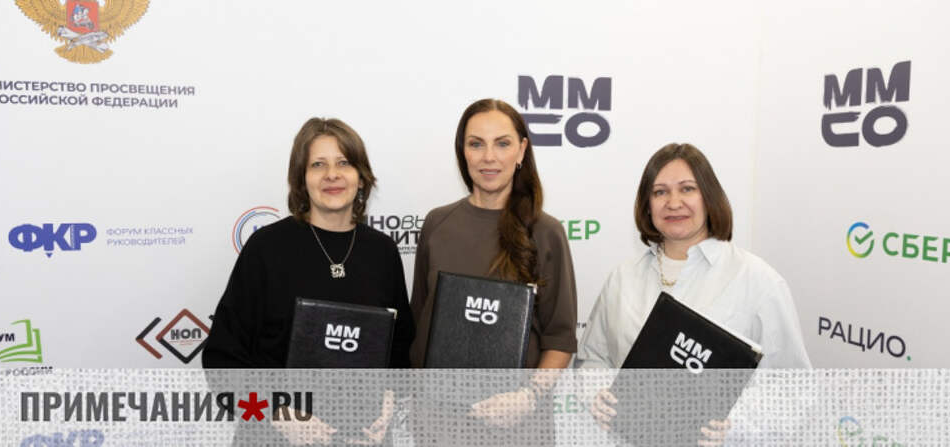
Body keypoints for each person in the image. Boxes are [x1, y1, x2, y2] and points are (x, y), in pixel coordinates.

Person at [575, 143, 811, 445]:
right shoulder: (623, 278)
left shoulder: (759, 281)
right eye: (660, 192)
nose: (673, 203)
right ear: (647, 205)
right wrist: (597, 393)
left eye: (687, 189)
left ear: (709, 197)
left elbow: (795, 389)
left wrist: (736, 425)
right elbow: (593, 358)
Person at [203, 117, 414, 445]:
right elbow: (221, 362)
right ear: (301, 178)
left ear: (361, 177)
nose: (332, 174)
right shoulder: (266, 249)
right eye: (318, 164)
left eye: (344, 162)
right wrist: (278, 415)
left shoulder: (382, 252)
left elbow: (400, 351)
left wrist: (389, 402)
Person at [408, 98, 578, 444]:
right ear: (463, 152)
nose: (489, 157)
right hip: (440, 424)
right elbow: (419, 324)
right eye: (476, 144)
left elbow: (560, 339)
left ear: (521, 151)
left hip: (518, 427)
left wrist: (528, 397)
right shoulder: (437, 224)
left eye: (502, 143)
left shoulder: (546, 232)